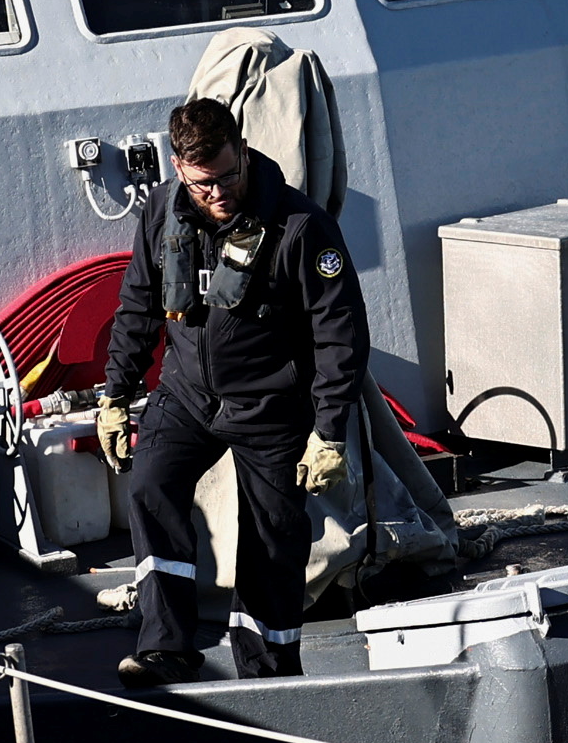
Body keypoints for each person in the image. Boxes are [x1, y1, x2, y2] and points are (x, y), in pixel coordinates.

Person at [98, 90, 369, 685]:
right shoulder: (162, 214)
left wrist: (328, 432)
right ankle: (166, 644)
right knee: (151, 484)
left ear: (243, 152)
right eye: (201, 185)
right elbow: (139, 308)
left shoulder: (302, 229)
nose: (216, 194)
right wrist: (114, 396)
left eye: (225, 177)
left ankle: (270, 672)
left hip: (272, 406)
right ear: (178, 169)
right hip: (187, 396)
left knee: (273, 543)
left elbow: (340, 336)